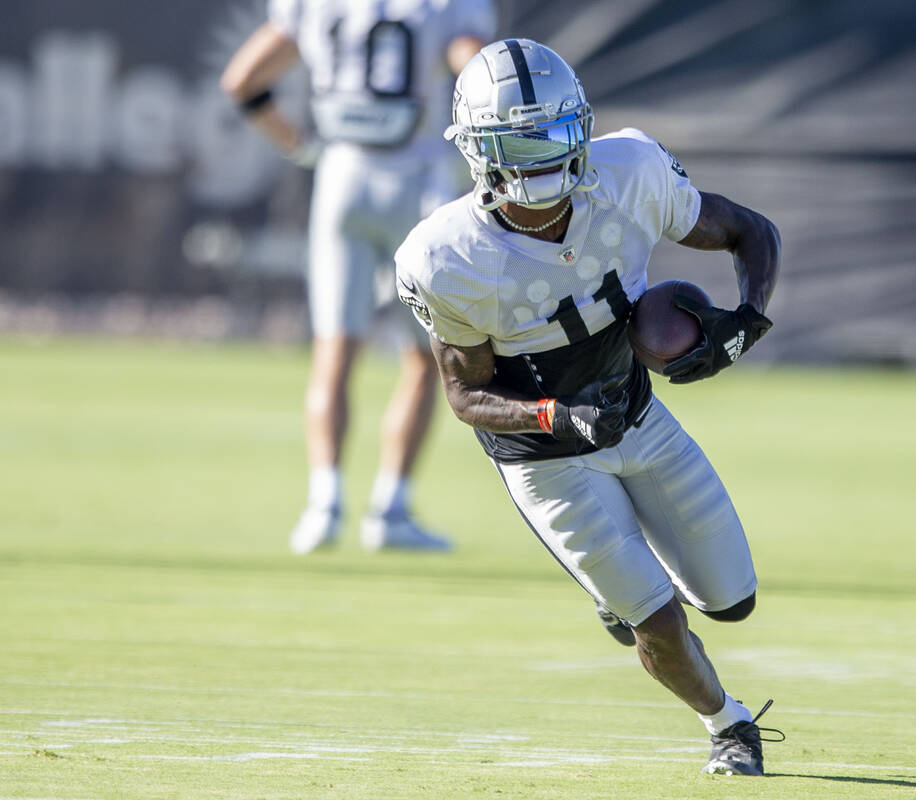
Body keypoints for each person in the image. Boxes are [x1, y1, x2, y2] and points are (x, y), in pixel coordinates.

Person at [394, 39, 784, 776]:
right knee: (657, 621)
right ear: (481, 150)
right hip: (544, 458)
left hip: (633, 412)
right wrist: (554, 417)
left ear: (583, 127)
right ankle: (727, 724)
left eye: (552, 134)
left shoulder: (629, 172)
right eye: (518, 139)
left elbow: (750, 231)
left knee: (731, 603)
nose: (538, 158)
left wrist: (746, 320)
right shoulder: (444, 256)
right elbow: (466, 394)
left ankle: (627, 599)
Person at [220, 0, 496, 554]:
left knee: (334, 351)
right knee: (425, 357)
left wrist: (300, 145)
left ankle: (324, 504)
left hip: (343, 174)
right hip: (418, 180)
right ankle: (390, 507)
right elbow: (481, 75)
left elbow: (243, 80)